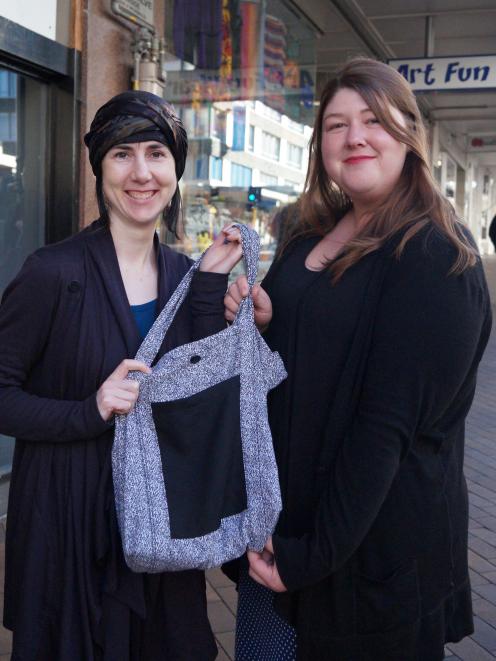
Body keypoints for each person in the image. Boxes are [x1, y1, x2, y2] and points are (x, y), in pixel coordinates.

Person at [224, 58, 492, 660]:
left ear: (408, 134)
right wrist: (268, 320)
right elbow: (305, 359)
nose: (354, 137)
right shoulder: (307, 231)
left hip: (362, 557)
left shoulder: (434, 255)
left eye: (372, 119)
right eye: (336, 125)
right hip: (282, 532)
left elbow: (385, 428)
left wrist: (311, 556)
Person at [0, 90, 242, 660]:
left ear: (176, 171)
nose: (141, 173)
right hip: (68, 519)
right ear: (99, 169)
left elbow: (201, 403)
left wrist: (218, 298)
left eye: (157, 153)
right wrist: (88, 409)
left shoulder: (189, 276)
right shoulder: (52, 272)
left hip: (160, 523)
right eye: (122, 154)